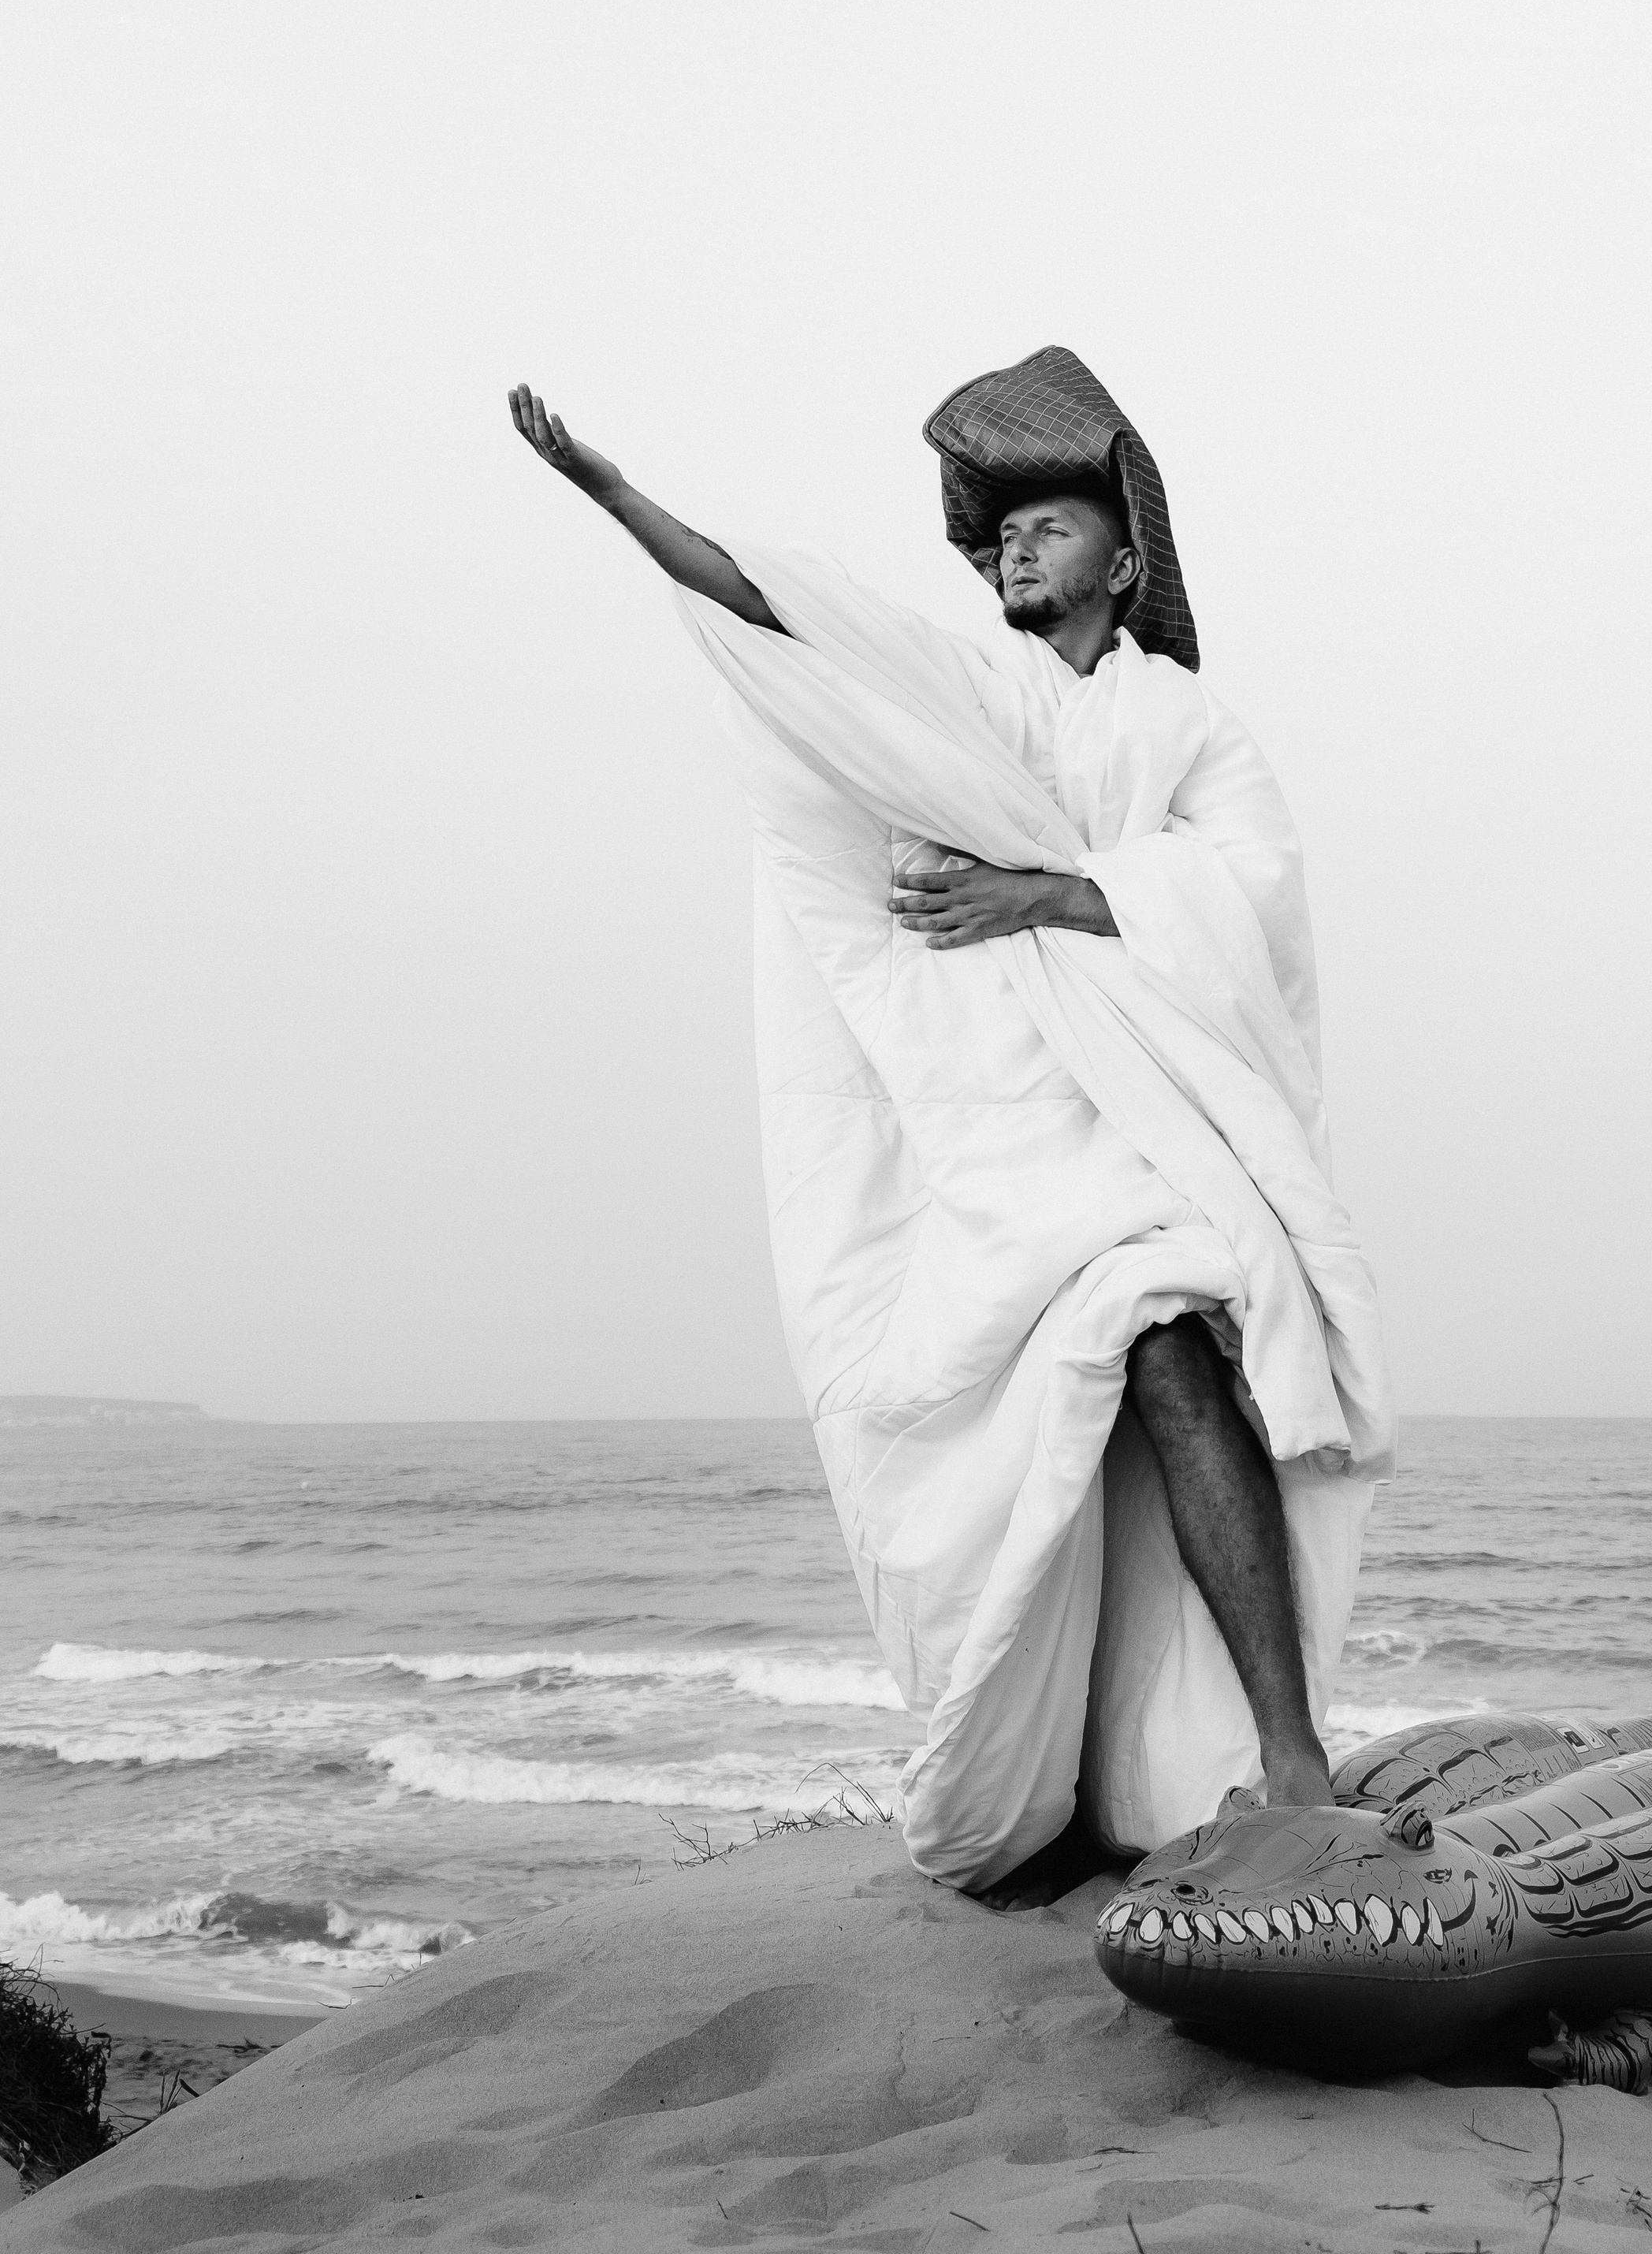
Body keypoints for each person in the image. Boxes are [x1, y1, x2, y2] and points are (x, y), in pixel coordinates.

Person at [508, 347, 1393, 1903]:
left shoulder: (1190, 728)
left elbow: (1252, 904)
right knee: (984, 1430)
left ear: (1119, 557)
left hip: (1151, 1122)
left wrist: (1042, 891)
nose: (1009, 550)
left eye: (1043, 528)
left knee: (1168, 1341)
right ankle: (1035, 1776)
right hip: (1002, 1137)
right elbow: (788, 617)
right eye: (997, 536)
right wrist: (612, 495)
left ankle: (1285, 1754)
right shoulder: (961, 685)